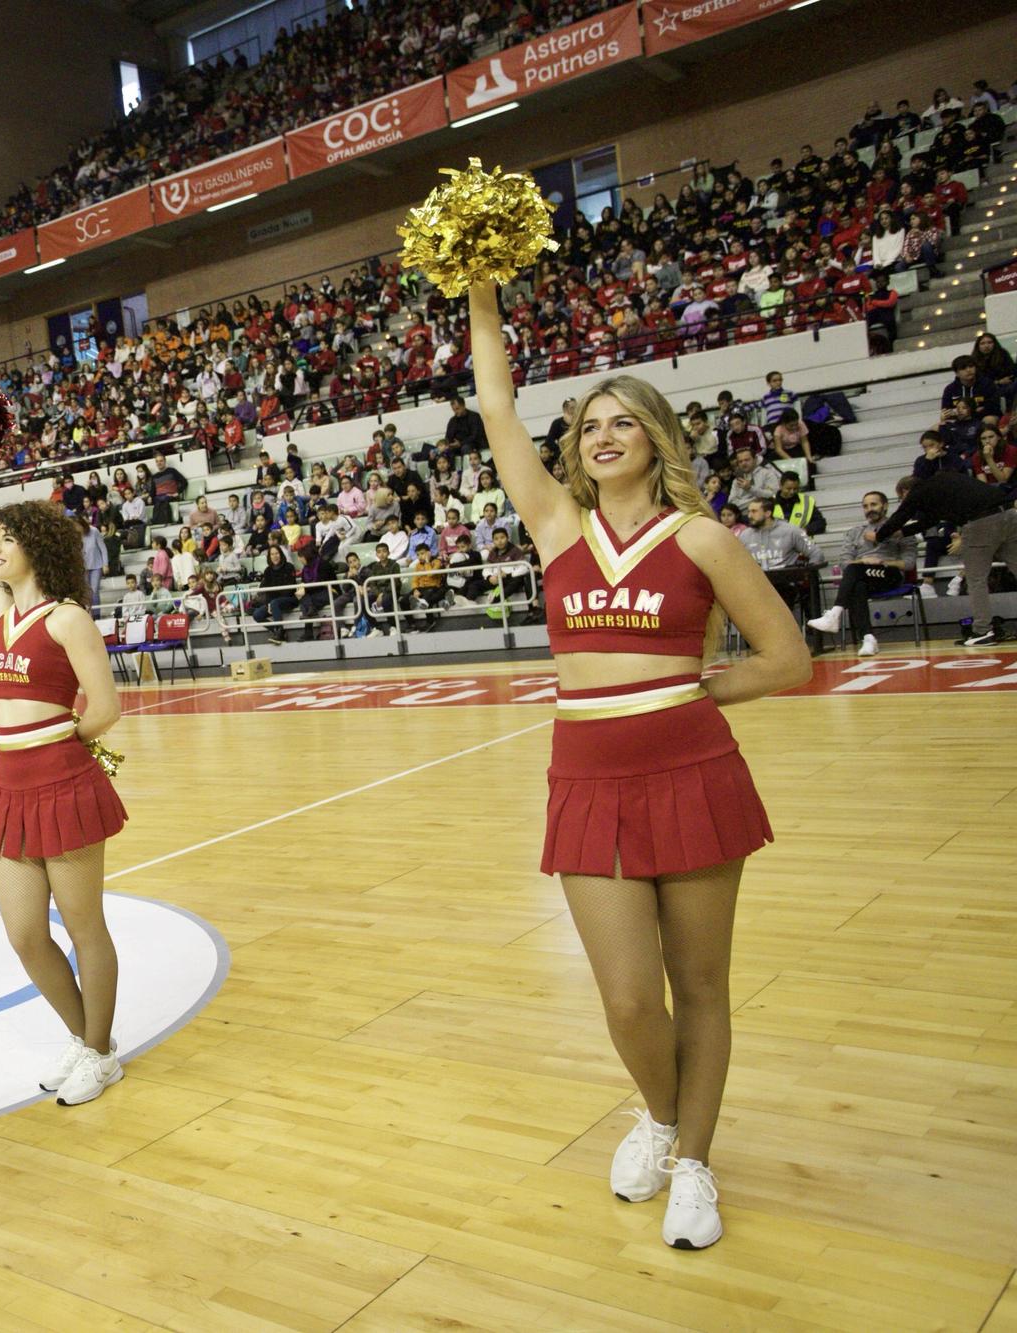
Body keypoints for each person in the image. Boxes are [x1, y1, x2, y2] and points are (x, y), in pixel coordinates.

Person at [468, 276, 810, 1250]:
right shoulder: (553, 526)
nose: (601, 436)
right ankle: (658, 1116)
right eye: (586, 427)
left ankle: (692, 1160)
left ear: (656, 437)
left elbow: (786, 658)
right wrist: (483, 288)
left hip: (693, 770)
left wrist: (693, 691)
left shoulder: (700, 536)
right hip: (585, 781)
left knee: (697, 983)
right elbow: (496, 406)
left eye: (621, 422)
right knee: (625, 994)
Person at [0, 454, 127, 1106]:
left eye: (7, 538)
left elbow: (104, 708)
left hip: (62, 779)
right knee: (24, 931)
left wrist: (60, 747)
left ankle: (99, 1052)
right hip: (9, 786)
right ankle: (85, 1039)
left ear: (37, 548)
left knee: (85, 927)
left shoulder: (68, 618)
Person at [872, 470, 1017, 646]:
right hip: (1010, 514)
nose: (904, 501)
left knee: (976, 579)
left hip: (981, 523)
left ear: (905, 491)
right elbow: (931, 520)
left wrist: (879, 536)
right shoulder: (943, 481)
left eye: (901, 498)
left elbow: (900, 516)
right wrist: (903, 533)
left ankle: (982, 630)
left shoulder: (917, 492)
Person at [806, 492, 914, 655]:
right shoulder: (854, 532)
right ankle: (868, 638)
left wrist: (883, 562)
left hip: (889, 574)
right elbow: (844, 563)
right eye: (865, 506)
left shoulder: (900, 531)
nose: (869, 509)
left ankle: (835, 614)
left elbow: (909, 563)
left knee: (854, 572)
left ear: (884, 506)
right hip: (862, 575)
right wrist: (864, 562)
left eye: (874, 505)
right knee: (858, 586)